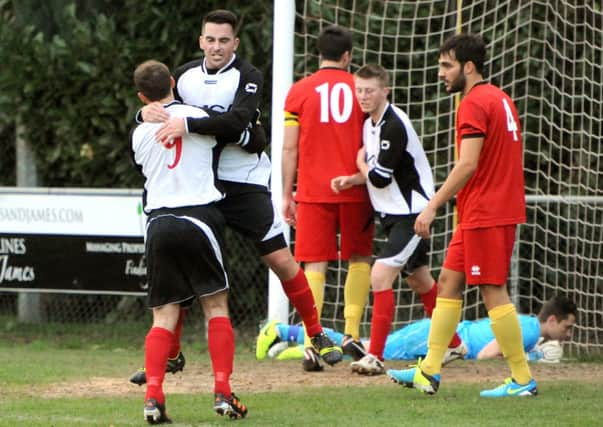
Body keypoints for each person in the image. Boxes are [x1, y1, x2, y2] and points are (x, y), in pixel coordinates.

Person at [130, 9, 342, 385]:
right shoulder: (183, 76)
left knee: (279, 257)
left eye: (224, 40)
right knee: (178, 267)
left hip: (243, 181)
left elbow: (241, 124)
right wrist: (140, 114)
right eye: (210, 39)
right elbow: (160, 112)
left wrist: (194, 124)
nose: (216, 47)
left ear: (235, 43)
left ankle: (316, 331)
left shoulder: (248, 75)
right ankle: (167, 357)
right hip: (200, 185)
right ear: (200, 41)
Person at [387, 33, 534, 398]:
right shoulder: (500, 98)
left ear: (468, 67)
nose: (441, 73)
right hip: (480, 212)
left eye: (446, 66)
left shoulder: (472, 103)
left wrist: (433, 204)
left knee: (492, 290)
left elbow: (468, 164)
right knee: (450, 281)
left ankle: (521, 379)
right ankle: (429, 370)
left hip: (488, 211)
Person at [131, 59, 246, 422]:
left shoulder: (138, 133)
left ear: (141, 95)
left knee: (163, 315)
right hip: (198, 216)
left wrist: (140, 116)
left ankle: (153, 398)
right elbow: (238, 129)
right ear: (174, 82)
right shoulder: (198, 116)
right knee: (215, 307)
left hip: (158, 221)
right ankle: (223, 391)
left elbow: (144, 167)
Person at [330, 64, 465, 375]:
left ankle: (374, 355)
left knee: (379, 277)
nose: (363, 96)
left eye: (369, 90)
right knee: (419, 280)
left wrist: (359, 165)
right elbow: (380, 173)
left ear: (384, 91)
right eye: (359, 90)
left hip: (413, 214)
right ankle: (455, 343)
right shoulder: (370, 124)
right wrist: (353, 179)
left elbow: (377, 178)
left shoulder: (393, 125)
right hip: (393, 216)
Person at [282, 25, 374, 371]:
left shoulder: (299, 92)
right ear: (347, 56)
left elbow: (290, 148)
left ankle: (311, 342)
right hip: (356, 188)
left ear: (318, 54)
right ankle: (351, 333)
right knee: (360, 257)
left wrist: (286, 193)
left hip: (312, 191)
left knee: (312, 264)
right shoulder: (362, 89)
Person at [256, 295, 577, 364]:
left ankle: (295, 346)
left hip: (440, 333)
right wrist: (533, 360)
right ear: (551, 320)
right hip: (437, 335)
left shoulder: (523, 324)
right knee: (367, 348)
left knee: (366, 347)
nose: (568, 334)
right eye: (568, 327)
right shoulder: (532, 331)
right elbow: (486, 354)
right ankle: (282, 331)